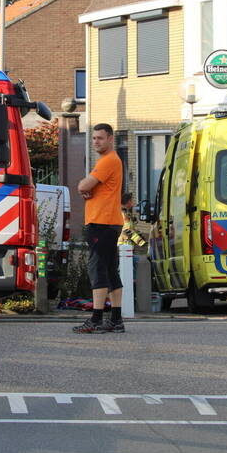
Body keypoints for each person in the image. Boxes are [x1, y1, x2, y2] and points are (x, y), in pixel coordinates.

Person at [73, 123, 126, 334]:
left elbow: (84, 186)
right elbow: (91, 186)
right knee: (111, 270)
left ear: (110, 139)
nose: (96, 141)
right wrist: (88, 187)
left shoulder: (108, 160)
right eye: (94, 138)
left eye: (100, 138)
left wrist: (83, 187)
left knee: (97, 268)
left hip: (102, 222)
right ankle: (116, 319)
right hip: (110, 222)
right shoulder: (111, 161)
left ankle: (95, 319)